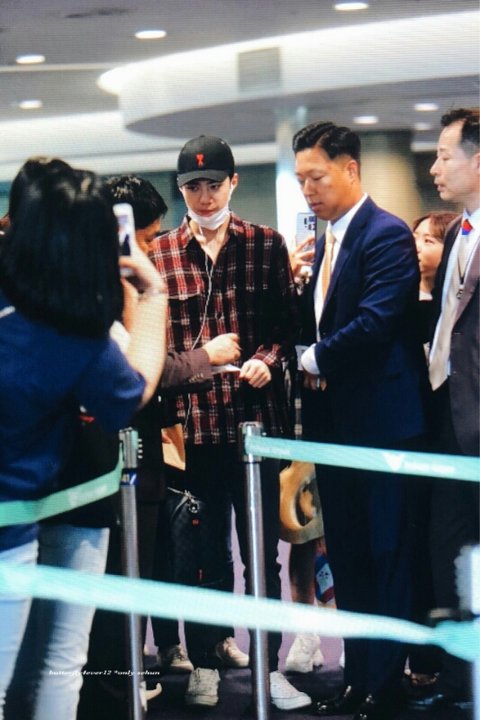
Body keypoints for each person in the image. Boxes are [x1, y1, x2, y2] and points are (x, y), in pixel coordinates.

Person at [0, 160, 168, 720]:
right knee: (52, 667)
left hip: (29, 525)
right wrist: (153, 293)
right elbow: (133, 389)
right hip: (14, 533)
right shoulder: (71, 331)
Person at [149, 135, 310, 711]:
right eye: (193, 186)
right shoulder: (161, 253)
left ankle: (270, 668)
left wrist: (267, 359)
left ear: (233, 183)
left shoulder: (265, 244)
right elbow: (154, 348)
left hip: (254, 426)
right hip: (190, 429)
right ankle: (207, 662)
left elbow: (287, 328)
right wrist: (201, 360)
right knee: (201, 555)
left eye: (214, 184)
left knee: (262, 556)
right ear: (181, 190)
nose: (205, 195)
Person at [293, 120, 427, 720]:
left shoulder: (386, 233)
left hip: (383, 425)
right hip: (336, 427)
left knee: (387, 553)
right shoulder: (326, 240)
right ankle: (357, 677)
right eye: (301, 180)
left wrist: (314, 357)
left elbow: (376, 322)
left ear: (350, 169)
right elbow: (324, 318)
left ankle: (385, 684)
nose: (308, 191)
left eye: (317, 177)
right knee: (346, 555)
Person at [409, 107, 479, 713]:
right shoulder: (458, 232)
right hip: (449, 419)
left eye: (443, 155)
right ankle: (460, 683)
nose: (434, 168)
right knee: (448, 551)